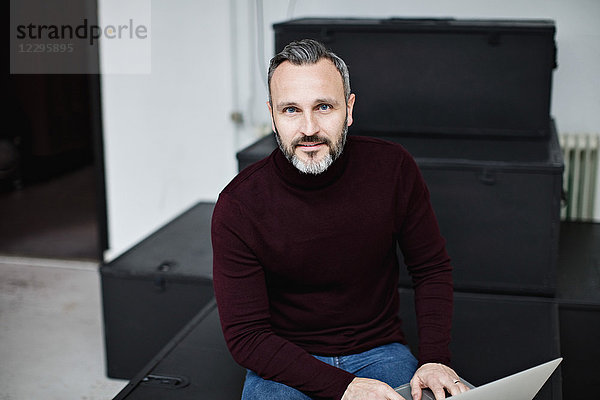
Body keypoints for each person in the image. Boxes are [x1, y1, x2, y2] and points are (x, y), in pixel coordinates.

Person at [211, 39, 469, 400]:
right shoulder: (238, 205)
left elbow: (431, 268)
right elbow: (247, 336)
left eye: (324, 106)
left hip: (379, 351)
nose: (309, 128)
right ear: (272, 115)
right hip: (286, 360)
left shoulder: (393, 169)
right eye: (291, 110)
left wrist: (435, 359)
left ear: (348, 109)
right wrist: (343, 388)